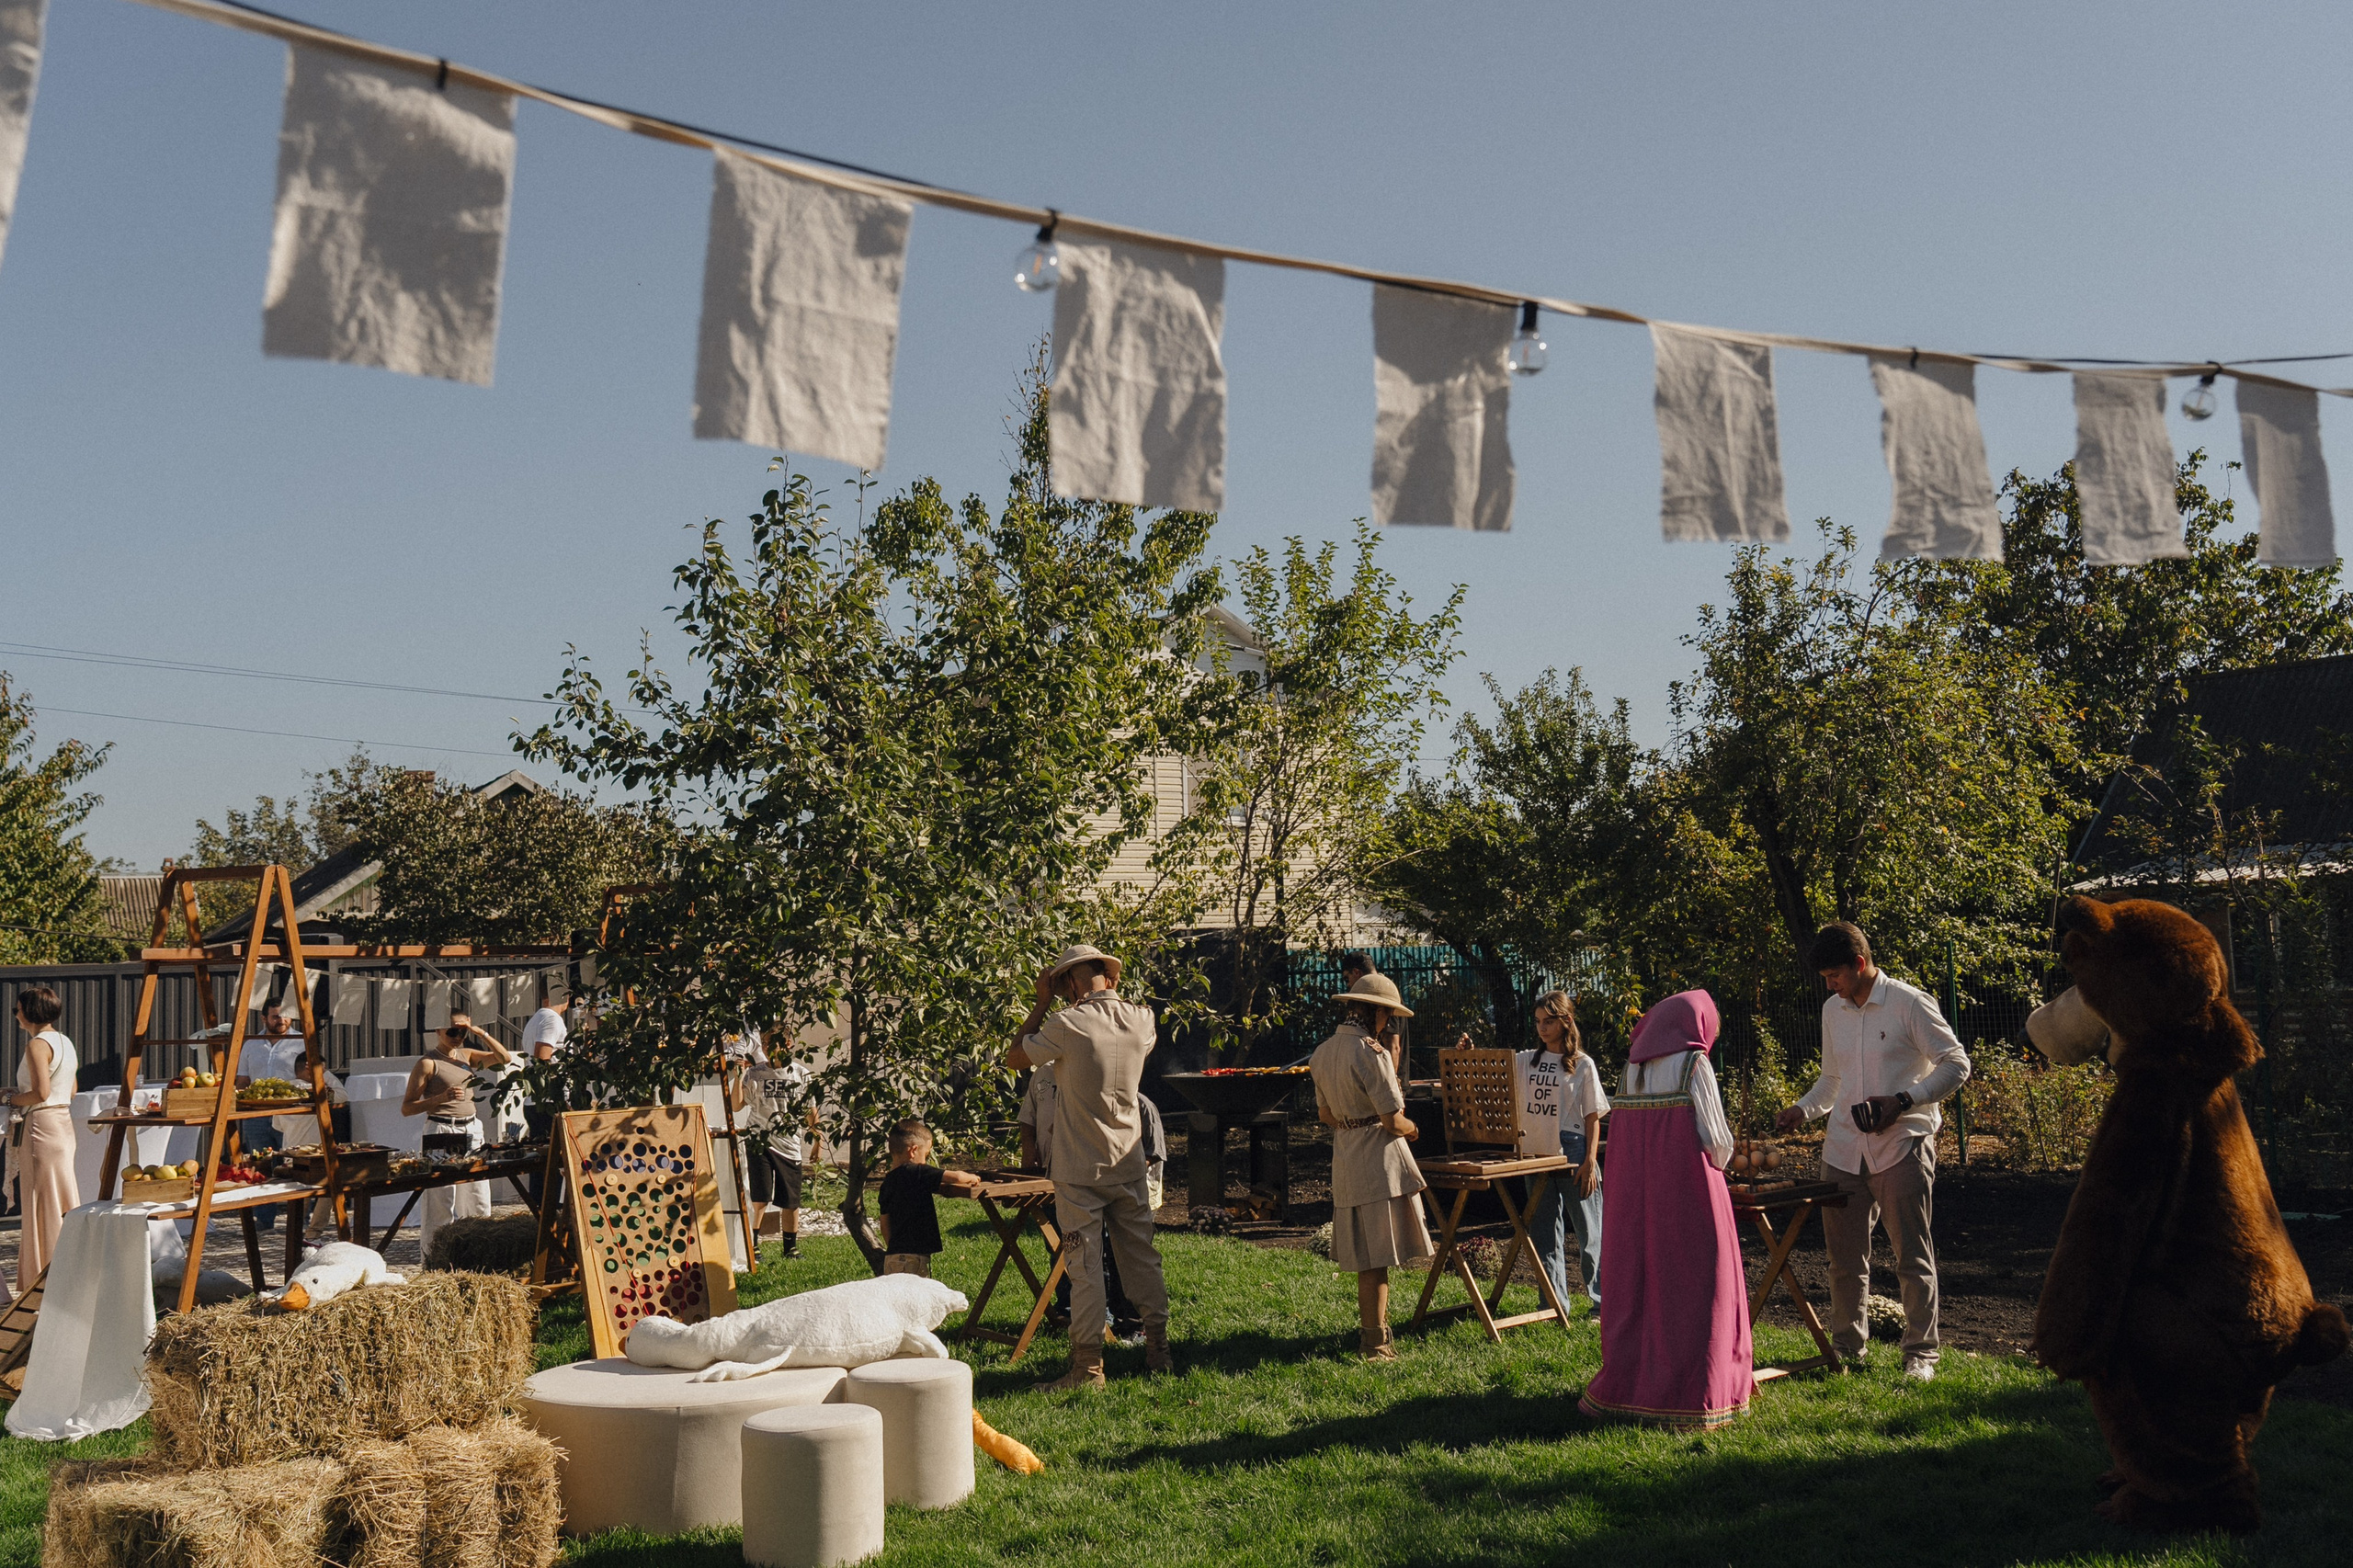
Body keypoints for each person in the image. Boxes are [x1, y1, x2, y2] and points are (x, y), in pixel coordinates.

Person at [1775, 921, 1972, 1381]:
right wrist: (1803, 1110)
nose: (1830, 986)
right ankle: (1846, 1347)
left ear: (1859, 964)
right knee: (1843, 1260)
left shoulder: (1908, 1002)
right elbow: (1832, 1081)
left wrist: (1904, 1101)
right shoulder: (1833, 1010)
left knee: (1911, 1256)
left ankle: (1921, 1354)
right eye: (1825, 979)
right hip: (1843, 1150)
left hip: (1902, 1144)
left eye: (1835, 976)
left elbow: (1957, 1062)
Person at [1579, 989, 1752, 1429]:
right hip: (1689, 1194)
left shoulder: (1629, 1071)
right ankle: (1698, 1391)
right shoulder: (1694, 1064)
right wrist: (1727, 1164)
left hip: (1636, 1199)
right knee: (1695, 1288)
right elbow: (1716, 1139)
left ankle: (1635, 1385)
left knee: (1642, 1287)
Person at [1007, 943, 1172, 1389]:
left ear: (1072, 984)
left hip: (1080, 1170)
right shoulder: (1142, 1020)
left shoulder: (1066, 1023)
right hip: (1130, 1160)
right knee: (1142, 1259)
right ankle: (1159, 1350)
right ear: (1111, 977)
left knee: (1083, 1268)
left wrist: (1041, 1001)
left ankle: (1088, 1369)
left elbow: (1015, 1058)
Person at [1311, 971, 1430, 1362]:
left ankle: (1374, 1336)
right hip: (1379, 1161)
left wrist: (1352, 1121)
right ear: (1376, 1013)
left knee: (1367, 1258)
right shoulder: (1370, 1052)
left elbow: (1326, 1115)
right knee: (1376, 1261)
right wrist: (1413, 1129)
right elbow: (1394, 1121)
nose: (1388, 1023)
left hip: (1346, 1157)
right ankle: (1375, 1344)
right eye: (1387, 1016)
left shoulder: (1323, 1052)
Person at [1021, 1061, 1163, 1342]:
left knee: (1117, 1254)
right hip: (1062, 1179)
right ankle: (1072, 1311)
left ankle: (1132, 1324)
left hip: (1116, 1189)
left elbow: (1152, 1152)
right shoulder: (1045, 1075)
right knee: (1067, 1246)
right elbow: (1030, 1117)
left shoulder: (1140, 1103)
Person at [1513, 991, 1608, 1323]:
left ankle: (1600, 1304)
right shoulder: (1527, 1060)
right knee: (1543, 1232)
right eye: (1538, 1021)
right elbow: (1493, 1069)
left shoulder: (1583, 1065)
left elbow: (1593, 1116)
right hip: (1536, 1149)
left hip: (1574, 1149)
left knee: (1588, 1231)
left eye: (1548, 1021)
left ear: (1566, 1021)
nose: (1542, 1028)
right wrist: (1465, 1053)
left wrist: (1590, 1160)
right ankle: (1552, 1305)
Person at [401, 1012, 513, 1255]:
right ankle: (434, 1259)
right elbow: (407, 1108)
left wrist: (478, 1032)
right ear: (438, 1031)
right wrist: (441, 1098)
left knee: (477, 1196)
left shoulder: (467, 1056)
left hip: (471, 1127)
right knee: (440, 1199)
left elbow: (504, 1059)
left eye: (462, 1032)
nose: (457, 1037)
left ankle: (479, 1255)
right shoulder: (428, 1063)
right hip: (441, 1127)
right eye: (452, 1031)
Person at [7, 986, 79, 1295]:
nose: (16, 1015)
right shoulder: (65, 1042)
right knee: (59, 1201)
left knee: (40, 1205)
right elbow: (71, 1090)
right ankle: (66, 1271)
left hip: (40, 1128)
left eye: (18, 1009)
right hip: (63, 1125)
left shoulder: (36, 1045)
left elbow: (40, 1093)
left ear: (29, 1011)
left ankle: (43, 1282)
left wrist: (10, 1099)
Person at [741, 1035, 813, 1258]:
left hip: (789, 1143)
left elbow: (811, 1108)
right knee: (759, 1196)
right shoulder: (754, 1073)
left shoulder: (801, 1074)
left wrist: (817, 1138)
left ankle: (790, 1248)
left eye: (775, 1044)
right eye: (765, 1044)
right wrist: (736, 1076)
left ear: (788, 1044)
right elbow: (737, 1104)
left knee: (791, 1199)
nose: (769, 1049)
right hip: (759, 1139)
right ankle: (753, 1245)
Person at [876, 1119, 980, 1277]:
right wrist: (972, 1177)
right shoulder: (917, 1171)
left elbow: (884, 1224)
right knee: (917, 1298)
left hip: (892, 1258)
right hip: (914, 1257)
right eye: (925, 1154)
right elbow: (957, 1177)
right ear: (913, 1151)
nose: (925, 1160)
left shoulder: (887, 1182)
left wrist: (895, 1248)